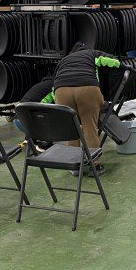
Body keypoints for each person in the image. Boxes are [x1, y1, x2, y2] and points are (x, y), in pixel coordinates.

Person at [52, 42, 120, 176]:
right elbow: (113, 61)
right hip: (87, 88)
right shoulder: (92, 53)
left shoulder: (64, 60)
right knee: (90, 127)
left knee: (71, 128)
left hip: (61, 90)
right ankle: (95, 165)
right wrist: (124, 66)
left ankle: (75, 166)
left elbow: (55, 80)